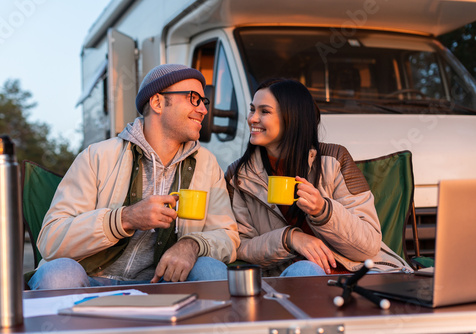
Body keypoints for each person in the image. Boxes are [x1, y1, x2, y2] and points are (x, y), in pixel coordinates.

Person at [29, 64, 240, 289]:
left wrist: (191, 244)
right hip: (91, 280)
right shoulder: (98, 156)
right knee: (59, 275)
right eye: (193, 98)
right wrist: (124, 219)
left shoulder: (206, 164)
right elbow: (51, 239)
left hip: (162, 283)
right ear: (157, 102)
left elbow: (228, 236)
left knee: (212, 270)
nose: (203, 110)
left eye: (203, 101)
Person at [226, 78, 411, 277]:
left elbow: (369, 246)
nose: (252, 118)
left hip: (354, 275)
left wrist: (323, 211)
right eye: (252, 109)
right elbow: (239, 246)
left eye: (264, 111)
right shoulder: (239, 177)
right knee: (305, 270)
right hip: (292, 278)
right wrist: (289, 239)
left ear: (292, 117)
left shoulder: (334, 160)